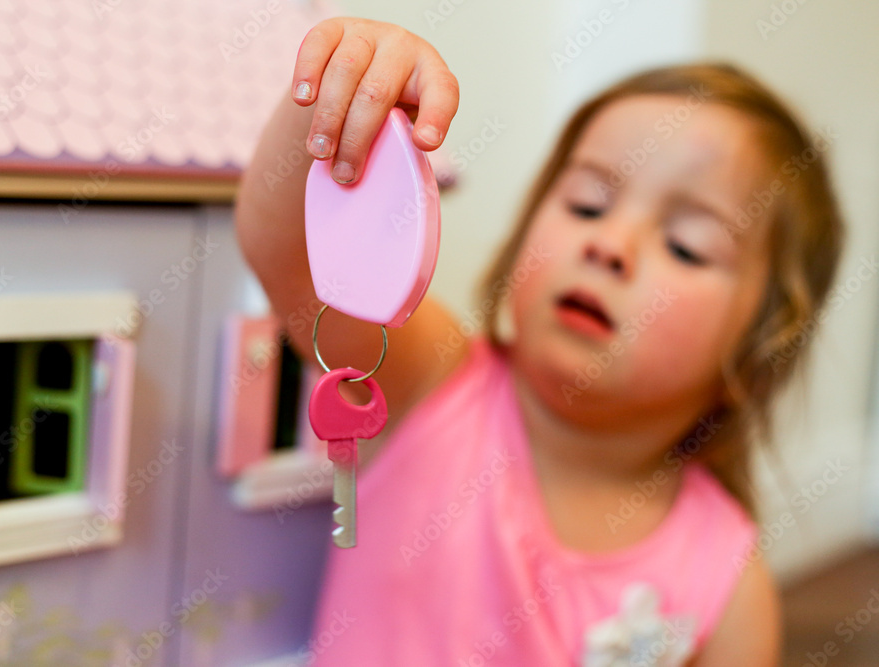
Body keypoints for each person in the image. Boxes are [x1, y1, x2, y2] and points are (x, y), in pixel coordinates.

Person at [235, 17, 844, 667]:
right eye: (587, 205)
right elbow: (287, 253)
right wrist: (338, 109)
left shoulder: (727, 585)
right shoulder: (431, 382)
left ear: (758, 350)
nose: (609, 245)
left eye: (685, 246)